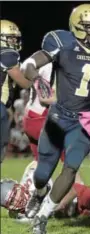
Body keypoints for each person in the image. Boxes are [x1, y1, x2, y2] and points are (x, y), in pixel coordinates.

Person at [21, 3, 90, 234]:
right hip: (58, 117)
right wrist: (36, 80)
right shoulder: (61, 42)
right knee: (42, 174)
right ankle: (38, 194)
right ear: (78, 27)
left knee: (70, 168)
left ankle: (42, 218)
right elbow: (28, 64)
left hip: (84, 121)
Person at [0, 20, 50, 163]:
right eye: (10, 38)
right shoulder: (7, 54)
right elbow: (23, 82)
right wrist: (36, 81)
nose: (14, 41)